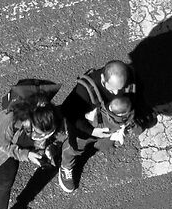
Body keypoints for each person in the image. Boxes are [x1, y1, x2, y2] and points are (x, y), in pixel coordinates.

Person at [56, 60, 135, 192]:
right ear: (103, 78)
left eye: (120, 88)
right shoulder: (84, 90)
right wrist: (92, 131)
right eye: (112, 88)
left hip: (109, 122)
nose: (116, 93)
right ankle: (66, 165)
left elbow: (135, 97)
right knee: (75, 146)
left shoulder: (129, 77)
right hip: (87, 125)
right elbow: (70, 115)